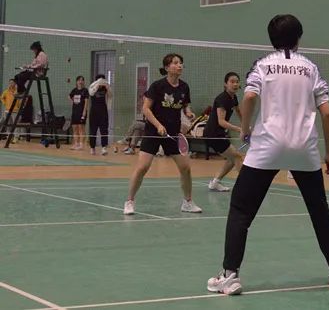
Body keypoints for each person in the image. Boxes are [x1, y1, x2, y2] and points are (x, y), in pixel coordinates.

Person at [207, 14, 329, 295]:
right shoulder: (311, 68)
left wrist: (245, 130)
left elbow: (249, 97)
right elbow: (327, 114)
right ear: (299, 38)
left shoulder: (262, 65)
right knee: (319, 210)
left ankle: (230, 275)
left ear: (271, 39)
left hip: (267, 147)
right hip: (304, 150)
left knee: (241, 210)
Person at [124, 53, 201, 215]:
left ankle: (187, 202)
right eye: (175, 63)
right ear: (167, 67)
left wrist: (188, 113)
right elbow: (145, 109)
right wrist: (158, 125)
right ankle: (129, 201)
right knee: (142, 167)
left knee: (186, 168)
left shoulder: (184, 87)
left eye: (181, 63)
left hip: (172, 134)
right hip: (153, 131)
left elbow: (185, 105)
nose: (179, 65)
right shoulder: (157, 86)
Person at [206, 72, 245, 192]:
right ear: (225, 84)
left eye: (237, 82)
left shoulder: (233, 98)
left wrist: (246, 125)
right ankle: (245, 186)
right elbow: (221, 122)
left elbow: (238, 111)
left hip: (219, 133)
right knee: (237, 157)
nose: (235, 84)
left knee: (232, 159)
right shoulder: (222, 99)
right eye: (232, 82)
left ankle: (215, 183)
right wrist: (240, 129)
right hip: (213, 134)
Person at [88, 75, 112, 155]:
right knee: (93, 130)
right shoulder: (92, 86)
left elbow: (110, 95)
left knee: (104, 130)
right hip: (94, 112)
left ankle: (104, 148)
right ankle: (92, 147)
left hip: (103, 111)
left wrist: (107, 87)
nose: (102, 83)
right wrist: (97, 85)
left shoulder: (105, 87)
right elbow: (91, 93)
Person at [68, 76, 90, 150]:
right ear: (76, 82)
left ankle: (81, 145)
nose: (80, 82)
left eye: (82, 80)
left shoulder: (85, 90)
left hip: (81, 112)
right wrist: (72, 102)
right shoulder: (74, 90)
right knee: (75, 128)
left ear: (83, 82)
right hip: (75, 112)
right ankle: (76, 144)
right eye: (79, 80)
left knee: (81, 128)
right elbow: (69, 96)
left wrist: (84, 111)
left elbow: (86, 102)